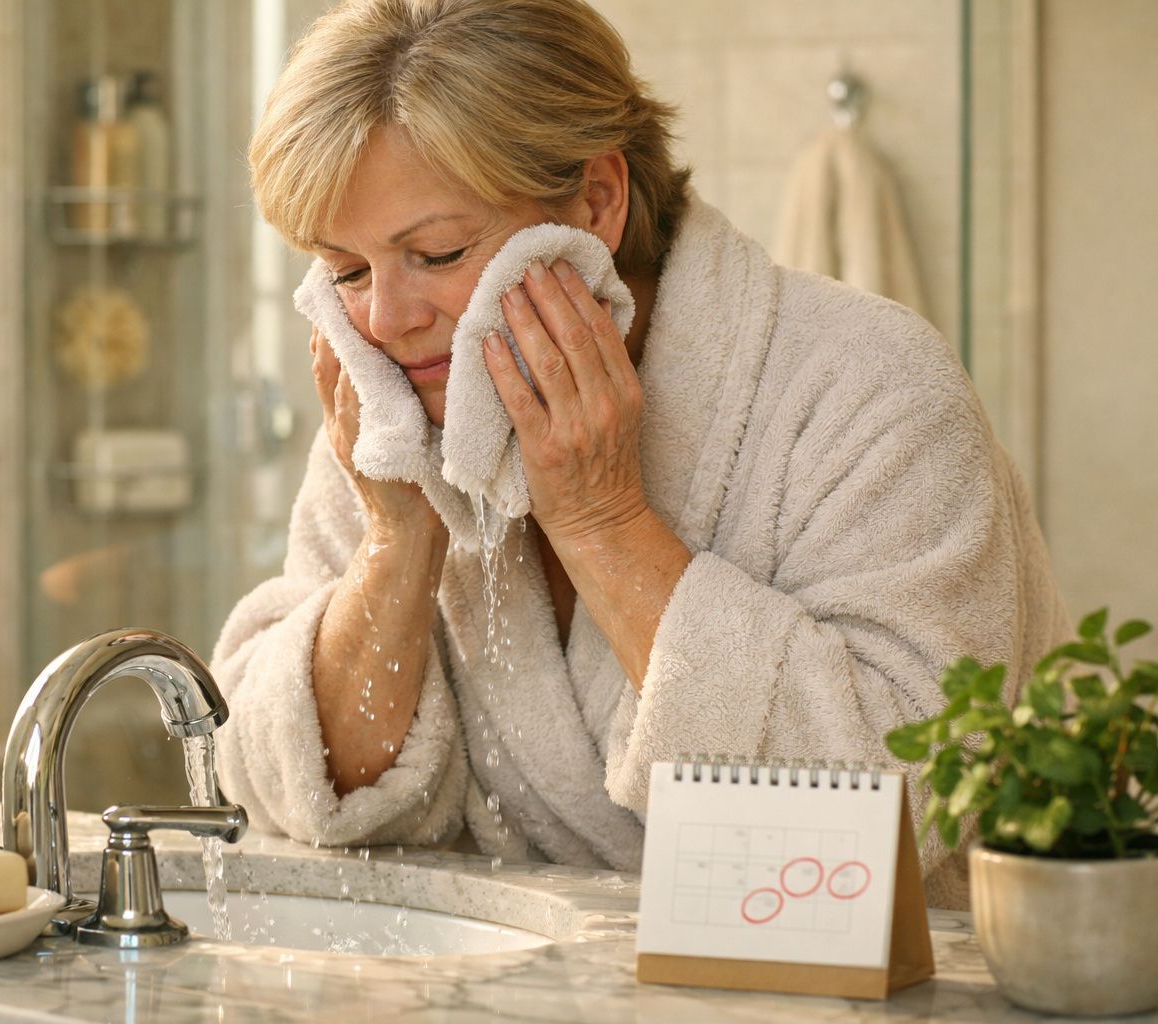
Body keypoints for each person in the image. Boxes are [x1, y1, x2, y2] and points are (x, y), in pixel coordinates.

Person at [212, 0, 1066, 910]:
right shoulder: (400, 408)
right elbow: (291, 783)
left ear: (597, 202)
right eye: (346, 271)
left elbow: (895, 811)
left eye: (438, 252)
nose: (383, 318)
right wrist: (399, 540)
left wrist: (601, 520)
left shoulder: (866, 384)